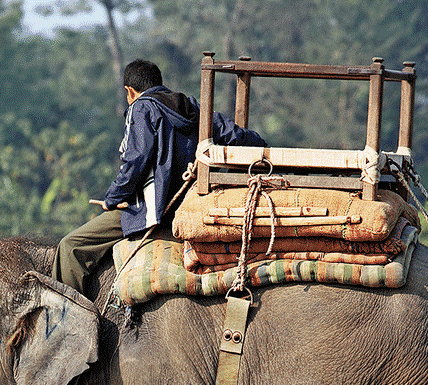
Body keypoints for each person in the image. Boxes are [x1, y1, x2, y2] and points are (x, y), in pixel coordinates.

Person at [54, 59, 268, 296]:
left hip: (153, 211)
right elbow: (239, 137)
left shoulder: (141, 107)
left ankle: (64, 322)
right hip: (188, 206)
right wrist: (267, 152)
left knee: (71, 247)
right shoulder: (192, 106)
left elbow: (136, 160)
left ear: (129, 91)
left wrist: (113, 198)